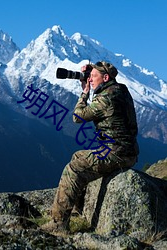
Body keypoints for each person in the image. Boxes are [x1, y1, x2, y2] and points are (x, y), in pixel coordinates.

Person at [41, 61, 139, 233]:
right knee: (78, 156)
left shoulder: (106, 98)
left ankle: (58, 224)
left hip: (115, 153)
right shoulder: (120, 90)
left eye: (94, 77)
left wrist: (84, 93)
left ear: (106, 78)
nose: (90, 79)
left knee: (73, 168)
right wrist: (92, 72)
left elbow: (78, 117)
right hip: (127, 150)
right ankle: (78, 209)